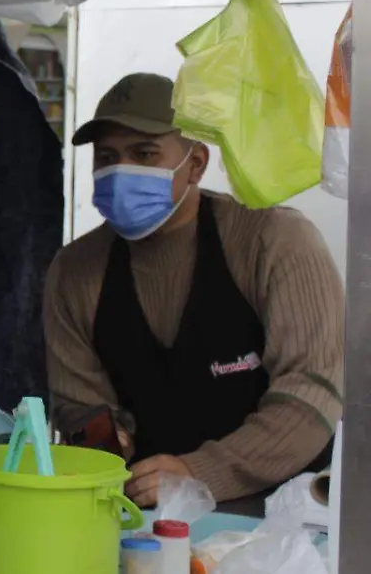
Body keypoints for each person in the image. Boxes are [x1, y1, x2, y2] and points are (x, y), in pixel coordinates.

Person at [44, 73, 343, 507]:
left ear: (197, 164)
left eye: (145, 153)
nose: (121, 171)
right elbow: (79, 405)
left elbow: (310, 396)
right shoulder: (75, 271)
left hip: (281, 515)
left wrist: (200, 472)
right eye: (106, 156)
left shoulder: (274, 241)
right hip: (149, 513)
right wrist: (104, 441)